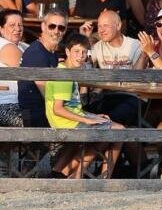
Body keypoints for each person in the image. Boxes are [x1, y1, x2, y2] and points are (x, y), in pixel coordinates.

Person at [46, 33, 122, 179]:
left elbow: (70, 106)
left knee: (108, 126)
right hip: (65, 122)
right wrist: (87, 120)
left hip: (68, 119)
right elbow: (58, 109)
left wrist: (90, 116)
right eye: (76, 52)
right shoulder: (64, 75)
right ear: (67, 52)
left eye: (84, 53)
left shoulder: (64, 70)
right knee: (120, 131)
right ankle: (91, 177)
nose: (80, 56)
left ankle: (60, 173)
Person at [16, 11, 67, 128]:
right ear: (43, 26)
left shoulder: (51, 52)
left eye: (61, 28)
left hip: (45, 112)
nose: (56, 31)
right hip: (35, 116)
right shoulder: (37, 54)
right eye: (52, 26)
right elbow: (47, 94)